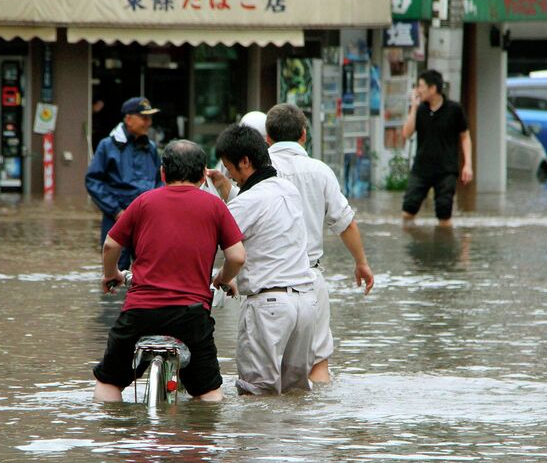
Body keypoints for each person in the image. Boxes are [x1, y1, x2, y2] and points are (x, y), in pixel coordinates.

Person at [93, 139, 246, 402]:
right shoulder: (215, 206)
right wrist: (223, 278)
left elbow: (110, 245)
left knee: (109, 383)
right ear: (202, 176)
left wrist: (111, 275)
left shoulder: (143, 202)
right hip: (191, 316)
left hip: (140, 313)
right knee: (209, 393)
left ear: (163, 173)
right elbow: (237, 257)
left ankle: (114, 438)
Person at [265, 103, 374, 383]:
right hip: (310, 278)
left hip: (266, 282)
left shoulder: (258, 170)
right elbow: (345, 223)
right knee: (318, 366)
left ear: (267, 137)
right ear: (304, 135)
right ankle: (315, 424)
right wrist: (361, 263)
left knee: (265, 373)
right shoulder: (320, 171)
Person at [214, 124, 317, 395]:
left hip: (269, 306)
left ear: (245, 162)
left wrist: (223, 278)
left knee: (256, 395)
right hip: (305, 303)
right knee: (296, 393)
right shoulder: (288, 189)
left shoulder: (245, 204)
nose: (229, 175)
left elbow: (220, 246)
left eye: (229, 168)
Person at [85, 97, 163, 271]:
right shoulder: (107, 146)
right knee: (115, 269)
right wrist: (116, 211)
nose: (148, 123)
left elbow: (160, 180)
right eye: (144, 118)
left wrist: (157, 209)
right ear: (128, 119)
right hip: (117, 217)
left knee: (149, 267)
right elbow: (93, 181)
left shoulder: (150, 148)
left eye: (150, 118)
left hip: (146, 219)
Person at [401, 69, 473, 227]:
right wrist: (413, 106)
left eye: (421, 86)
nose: (418, 90)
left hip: (446, 169)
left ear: (433, 88)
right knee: (408, 210)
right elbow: (406, 133)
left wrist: (468, 164)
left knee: (444, 213)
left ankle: (444, 247)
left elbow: (465, 136)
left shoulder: (454, 109)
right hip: (421, 169)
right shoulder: (420, 110)